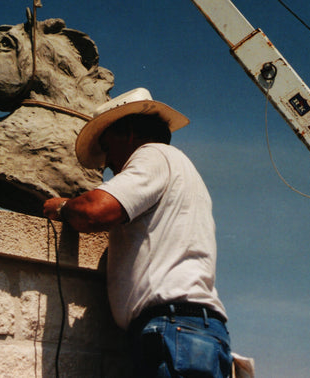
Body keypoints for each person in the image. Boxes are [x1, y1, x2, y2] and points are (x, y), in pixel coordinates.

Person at [43, 88, 232, 377]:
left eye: (107, 147)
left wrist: (64, 207)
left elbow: (95, 211)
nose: (106, 163)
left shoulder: (153, 155)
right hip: (186, 332)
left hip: (174, 330)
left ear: (129, 133)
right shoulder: (177, 168)